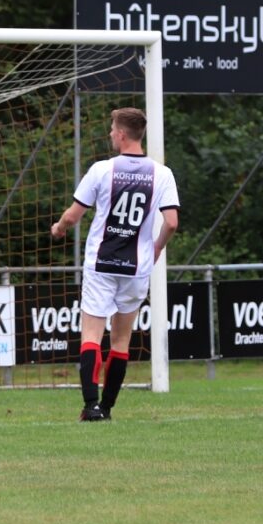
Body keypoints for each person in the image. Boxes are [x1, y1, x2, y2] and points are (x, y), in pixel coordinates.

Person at [50, 108, 179, 422]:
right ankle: (107, 408)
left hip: (101, 263)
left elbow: (73, 215)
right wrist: (157, 247)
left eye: (112, 129)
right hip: (136, 267)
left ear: (121, 134)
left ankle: (90, 406)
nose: (110, 133)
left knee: (91, 335)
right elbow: (172, 222)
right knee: (121, 340)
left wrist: (59, 227)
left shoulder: (102, 170)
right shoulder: (162, 173)